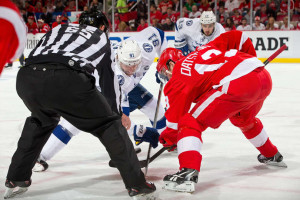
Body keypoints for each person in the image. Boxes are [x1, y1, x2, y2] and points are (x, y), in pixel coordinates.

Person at [4, 10, 156, 199]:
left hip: (27, 78)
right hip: (66, 77)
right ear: (102, 27)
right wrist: (116, 114)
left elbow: (37, 54)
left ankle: (16, 177)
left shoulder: (59, 28)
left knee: (41, 120)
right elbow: (109, 83)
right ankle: (137, 185)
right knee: (109, 125)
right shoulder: (100, 37)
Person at [155, 30, 286, 193]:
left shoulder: (178, 76)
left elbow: (175, 122)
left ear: (170, 64)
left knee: (190, 122)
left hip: (238, 84)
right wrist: (251, 60)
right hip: (263, 78)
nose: (166, 77)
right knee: (242, 119)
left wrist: (168, 139)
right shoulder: (202, 50)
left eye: (163, 72)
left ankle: (187, 174)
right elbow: (239, 36)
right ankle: (271, 154)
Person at [33, 26, 168, 172]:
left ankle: (168, 138)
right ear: (117, 58)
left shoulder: (146, 50)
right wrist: (140, 131)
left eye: (135, 64)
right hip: (100, 90)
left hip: (128, 88)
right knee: (74, 123)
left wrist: (164, 62)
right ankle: (41, 155)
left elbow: (158, 33)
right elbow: (119, 117)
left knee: (155, 106)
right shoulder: (113, 72)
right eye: (127, 65)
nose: (132, 69)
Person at [0, 0, 27, 75]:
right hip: (13, 31)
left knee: (17, 51)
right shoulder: (14, 13)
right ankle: (10, 64)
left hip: (14, 32)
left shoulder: (16, 15)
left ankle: (22, 62)